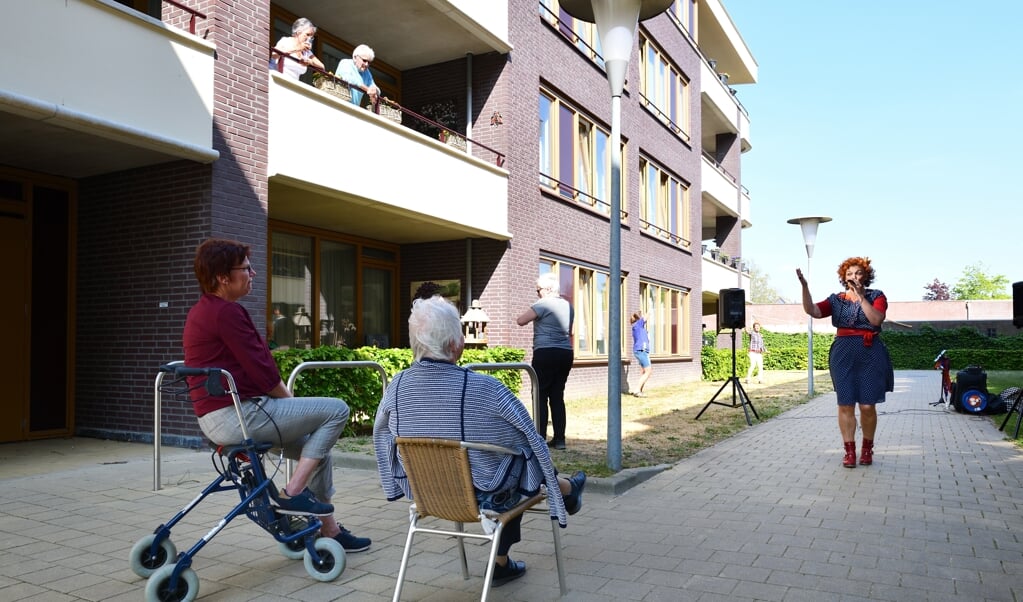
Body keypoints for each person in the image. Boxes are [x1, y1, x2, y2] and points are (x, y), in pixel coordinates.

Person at [373, 295, 586, 587]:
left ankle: (566, 490)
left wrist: (393, 483)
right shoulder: (486, 388)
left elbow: (381, 435)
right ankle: (561, 497)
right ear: (455, 346)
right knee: (519, 461)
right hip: (486, 496)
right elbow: (529, 439)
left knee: (511, 460)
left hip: (428, 494)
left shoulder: (396, 386)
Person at [182, 238, 371, 553]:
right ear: (222, 277)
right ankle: (293, 492)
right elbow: (264, 373)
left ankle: (330, 531)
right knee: (336, 409)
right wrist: (292, 405)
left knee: (318, 453)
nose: (252, 273)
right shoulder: (227, 312)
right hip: (240, 415)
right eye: (245, 268)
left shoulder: (201, 312)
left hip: (216, 419)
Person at [796, 257, 894, 468]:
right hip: (843, 352)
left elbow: (876, 320)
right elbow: (812, 310)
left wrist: (860, 297)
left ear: (866, 276)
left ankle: (867, 449)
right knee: (845, 403)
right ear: (843, 277)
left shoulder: (877, 296)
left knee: (867, 405)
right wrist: (805, 287)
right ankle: (849, 451)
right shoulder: (836, 299)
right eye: (849, 274)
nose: (853, 277)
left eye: (858, 273)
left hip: (870, 351)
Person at [516, 272, 574, 450]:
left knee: (540, 395)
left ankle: (539, 438)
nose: (537, 293)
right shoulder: (568, 305)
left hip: (545, 352)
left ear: (548, 289)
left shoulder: (542, 304)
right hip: (565, 353)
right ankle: (560, 439)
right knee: (557, 396)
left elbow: (520, 321)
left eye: (538, 290)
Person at [630, 311, 652, 397]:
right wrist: (649, 309)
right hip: (641, 351)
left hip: (643, 351)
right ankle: (637, 390)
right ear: (639, 318)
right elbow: (647, 316)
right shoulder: (638, 325)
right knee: (648, 371)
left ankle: (640, 390)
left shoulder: (639, 328)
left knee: (644, 371)